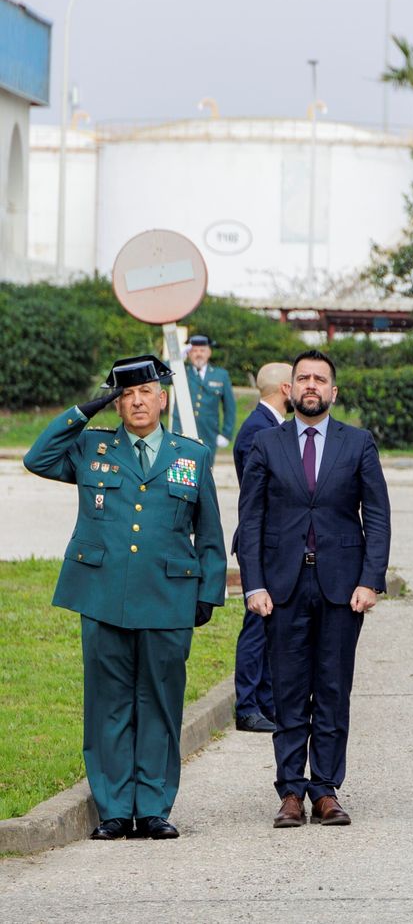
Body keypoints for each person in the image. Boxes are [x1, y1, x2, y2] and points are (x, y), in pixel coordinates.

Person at [23, 355, 226, 840]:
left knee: (159, 702)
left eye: (145, 392)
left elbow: (211, 532)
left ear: (162, 399)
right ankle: (114, 809)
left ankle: (153, 807)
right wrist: (84, 410)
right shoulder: (91, 447)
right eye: (125, 394)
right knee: (107, 704)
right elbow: (37, 457)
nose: (136, 401)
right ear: (116, 402)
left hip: (168, 596)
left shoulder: (190, 455)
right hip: (103, 595)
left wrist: (208, 592)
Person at [236, 349, 391, 829]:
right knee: (287, 691)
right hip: (281, 586)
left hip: (342, 588)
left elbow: (378, 515)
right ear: (289, 389)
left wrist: (371, 579)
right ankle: (289, 792)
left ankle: (325, 788)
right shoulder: (267, 443)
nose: (310, 386)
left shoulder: (358, 443)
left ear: (333, 391)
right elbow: (252, 518)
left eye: (319, 379)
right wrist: (254, 584)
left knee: (331, 689)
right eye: (302, 378)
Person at [229, 361, 292, 734]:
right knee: (256, 624)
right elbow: (260, 496)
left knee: (271, 625)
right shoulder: (257, 430)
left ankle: (267, 702)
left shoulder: (271, 425)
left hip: (276, 540)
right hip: (263, 540)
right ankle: (248, 705)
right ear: (286, 388)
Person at [170, 334, 236, 458]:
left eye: (202, 350)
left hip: (208, 434)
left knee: (206, 473)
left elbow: (230, 407)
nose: (198, 354)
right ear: (188, 354)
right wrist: (176, 360)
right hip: (181, 433)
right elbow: (159, 375)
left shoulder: (221, 375)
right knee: (182, 473)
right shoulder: (180, 371)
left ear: (209, 353)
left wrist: (226, 434)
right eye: (194, 351)